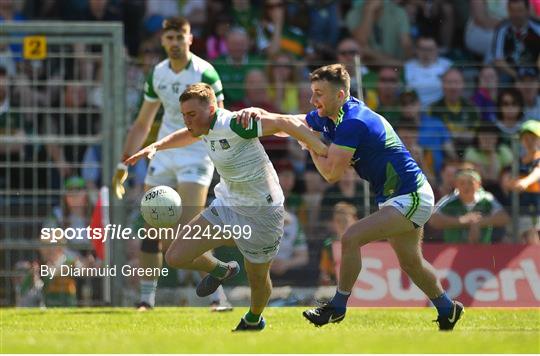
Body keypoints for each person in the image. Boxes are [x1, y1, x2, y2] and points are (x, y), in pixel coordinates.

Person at [240, 64, 464, 330]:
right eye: (313, 93)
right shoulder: (335, 114)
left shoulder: (353, 122)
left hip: (411, 196)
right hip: (397, 197)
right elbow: (292, 122)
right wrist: (259, 116)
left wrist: (311, 143)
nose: (313, 100)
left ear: (340, 94)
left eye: (319, 94)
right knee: (411, 263)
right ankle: (447, 308)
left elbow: (331, 174)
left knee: (350, 237)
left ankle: (338, 305)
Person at [124, 83, 327, 330]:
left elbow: (284, 123)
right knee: (176, 256)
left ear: (211, 109)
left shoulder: (233, 124)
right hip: (228, 205)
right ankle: (221, 270)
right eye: (184, 115)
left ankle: (254, 319)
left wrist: (320, 149)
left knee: (258, 279)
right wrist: (156, 146)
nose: (187, 121)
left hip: (262, 212)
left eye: (191, 115)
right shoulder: (203, 126)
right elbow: (189, 134)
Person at [111, 17, 228, 311]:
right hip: (164, 152)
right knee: (153, 225)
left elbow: (219, 120)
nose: (175, 42)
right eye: (170, 38)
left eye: (180, 37)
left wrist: (225, 159)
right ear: (163, 41)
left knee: (190, 228)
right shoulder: (158, 73)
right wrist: (123, 163)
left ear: (190, 39)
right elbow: (142, 123)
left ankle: (217, 297)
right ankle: (146, 299)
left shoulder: (206, 72)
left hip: (196, 153)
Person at [429, 168, 510, 244]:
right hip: (452, 249)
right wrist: (461, 221)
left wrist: (479, 222)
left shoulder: (487, 199)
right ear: (456, 185)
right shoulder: (448, 200)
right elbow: (433, 219)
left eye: (470, 183)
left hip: (483, 250)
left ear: (479, 184)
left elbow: (504, 218)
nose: (466, 187)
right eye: (462, 183)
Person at [501, 120, 540, 244]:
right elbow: (505, 180)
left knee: (531, 240)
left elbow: (537, 172)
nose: (529, 141)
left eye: (533, 138)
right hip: (516, 211)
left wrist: (524, 182)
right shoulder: (516, 162)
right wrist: (509, 183)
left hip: (534, 211)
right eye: (526, 138)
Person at [489, 0, 540, 82]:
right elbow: (498, 60)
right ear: (508, 11)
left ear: (527, 11)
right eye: (513, 11)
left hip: (535, 72)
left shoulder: (537, 27)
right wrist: (519, 77)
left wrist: (532, 78)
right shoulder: (502, 28)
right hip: (510, 73)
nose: (516, 15)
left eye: (520, 10)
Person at [404, 35, 452, 108]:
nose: (426, 53)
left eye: (430, 49)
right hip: (414, 112)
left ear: (437, 49)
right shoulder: (407, 68)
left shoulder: (447, 66)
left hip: (441, 110)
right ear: (416, 50)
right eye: (422, 49)